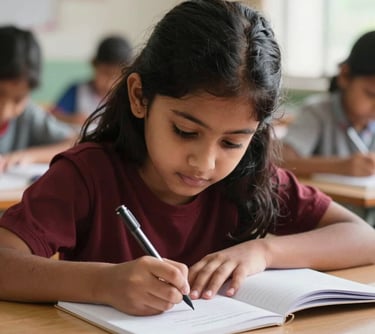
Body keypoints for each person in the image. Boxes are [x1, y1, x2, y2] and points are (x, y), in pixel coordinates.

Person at [0, 0, 374, 317]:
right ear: (139, 97)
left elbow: (363, 238)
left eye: (231, 142)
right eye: (185, 132)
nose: (204, 163)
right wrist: (102, 283)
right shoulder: (88, 174)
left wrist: (264, 250)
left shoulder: (248, 178)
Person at [281, 31, 375, 177]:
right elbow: (281, 161)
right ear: (344, 76)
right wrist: (341, 166)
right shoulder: (317, 112)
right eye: (371, 94)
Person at [0, 25, 75, 172]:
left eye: (18, 100)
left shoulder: (28, 115)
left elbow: (76, 142)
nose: (5, 111)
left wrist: (28, 155)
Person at [51, 35, 132, 126]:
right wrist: (70, 119)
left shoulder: (128, 98)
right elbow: (51, 116)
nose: (109, 83)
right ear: (94, 65)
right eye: (105, 73)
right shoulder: (77, 91)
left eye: (117, 76)